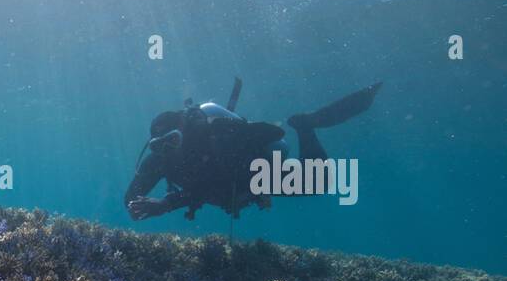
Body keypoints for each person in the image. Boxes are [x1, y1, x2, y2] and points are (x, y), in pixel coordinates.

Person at [123, 78, 382, 220]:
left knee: (321, 180)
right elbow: (131, 197)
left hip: (253, 175)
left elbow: (211, 183)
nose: (168, 148)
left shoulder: (215, 138)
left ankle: (306, 125)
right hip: (232, 191)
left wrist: (166, 203)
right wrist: (136, 204)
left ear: (185, 133)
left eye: (173, 139)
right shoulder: (160, 159)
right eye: (160, 145)